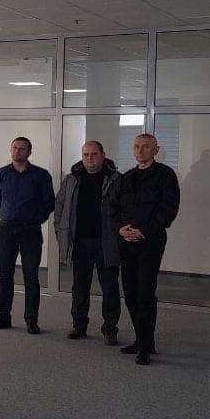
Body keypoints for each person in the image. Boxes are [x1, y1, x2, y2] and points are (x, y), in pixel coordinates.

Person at [109, 134, 179, 365]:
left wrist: (143, 231)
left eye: (146, 147)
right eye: (137, 147)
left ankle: (147, 344)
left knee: (145, 292)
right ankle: (140, 339)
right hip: (126, 241)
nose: (140, 151)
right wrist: (120, 229)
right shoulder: (125, 178)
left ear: (156, 150)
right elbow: (112, 208)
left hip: (150, 241)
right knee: (130, 292)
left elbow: (168, 210)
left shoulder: (165, 175)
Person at [54, 141, 121, 344]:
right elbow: (60, 208)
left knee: (110, 288)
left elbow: (125, 210)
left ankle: (110, 329)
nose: (89, 158)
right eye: (86, 154)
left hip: (106, 243)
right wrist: (62, 234)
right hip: (80, 243)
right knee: (79, 287)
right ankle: (79, 325)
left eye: (94, 154)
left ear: (103, 155)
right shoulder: (72, 179)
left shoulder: (116, 179)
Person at [0, 137, 54, 335]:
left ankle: (31, 320)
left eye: (22, 148)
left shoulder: (41, 175)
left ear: (29, 152)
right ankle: (3, 316)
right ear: (11, 150)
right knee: (4, 275)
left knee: (31, 276)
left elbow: (49, 202)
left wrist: (35, 218)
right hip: (7, 229)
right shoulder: (1, 173)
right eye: (14, 148)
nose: (17, 151)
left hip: (31, 230)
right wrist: (7, 214)